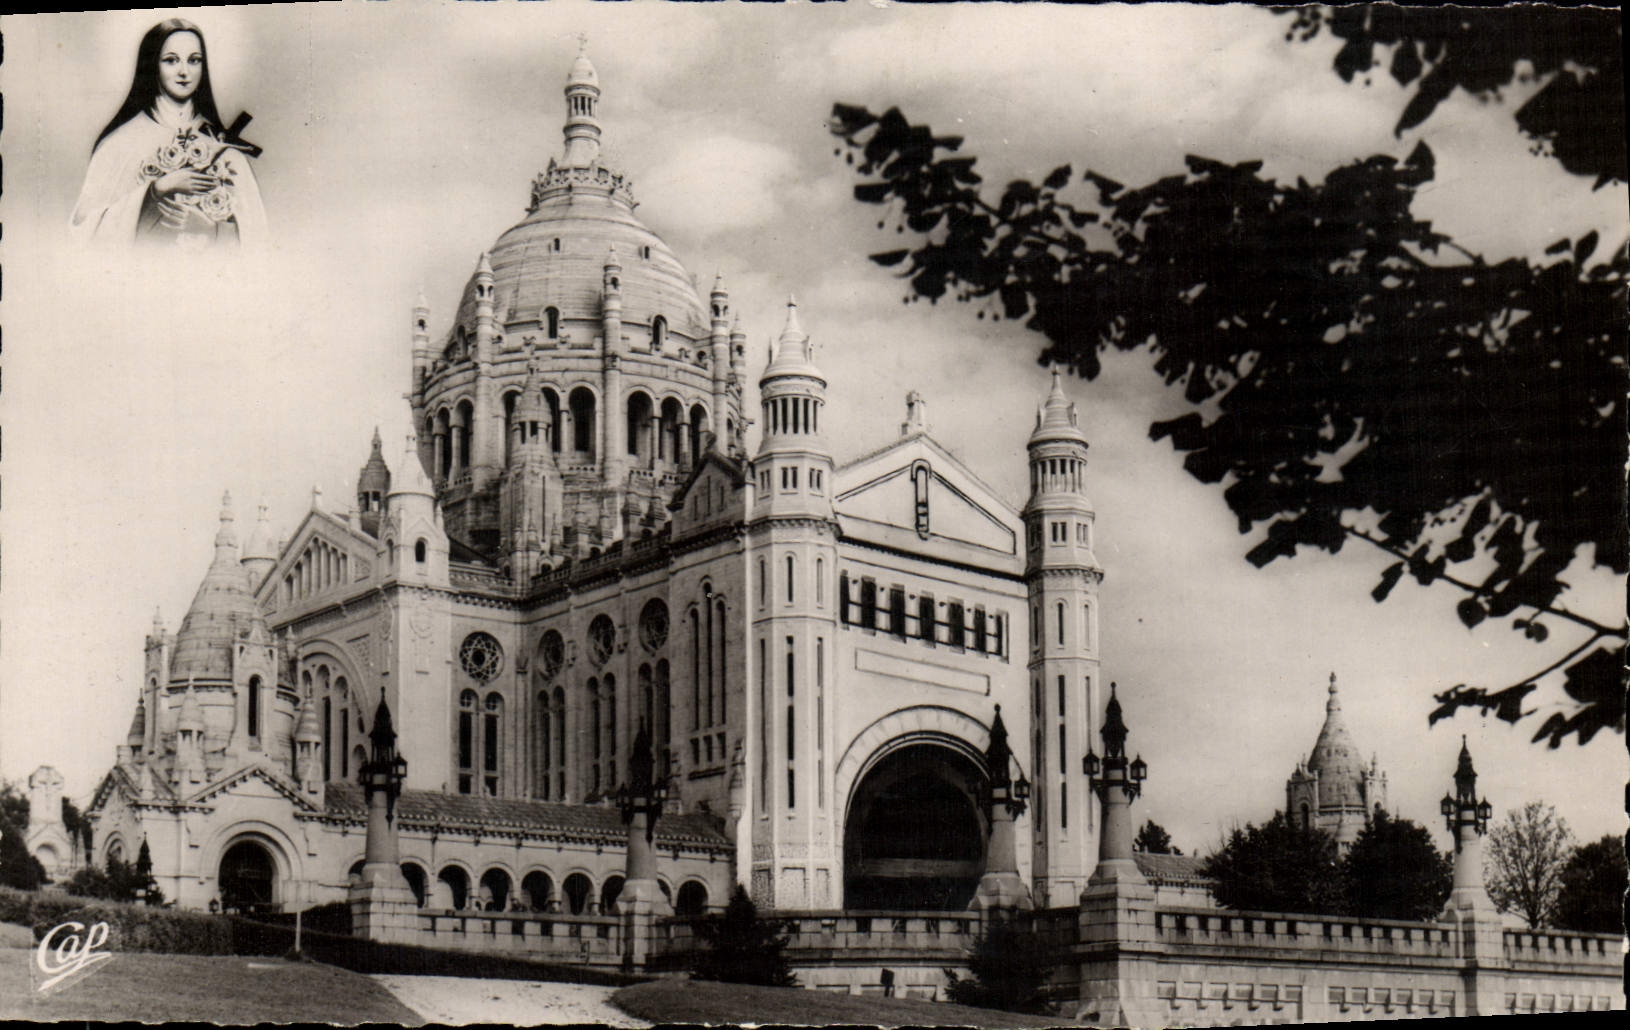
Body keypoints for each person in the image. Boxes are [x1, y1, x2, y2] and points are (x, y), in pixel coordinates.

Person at [70, 19, 266, 250]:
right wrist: (155, 191)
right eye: (171, 60)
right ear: (152, 65)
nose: (184, 71)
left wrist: (208, 226)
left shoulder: (223, 147)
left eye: (194, 60)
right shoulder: (120, 144)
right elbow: (83, 235)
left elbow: (256, 237)